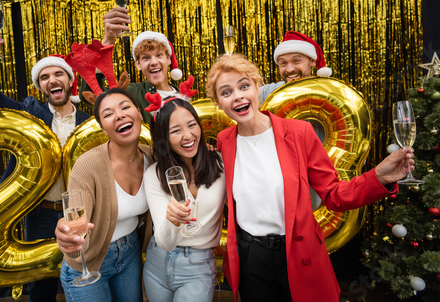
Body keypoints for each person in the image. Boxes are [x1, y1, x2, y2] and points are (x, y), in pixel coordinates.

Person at [205, 53, 414, 302]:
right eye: (226, 92)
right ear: (218, 103)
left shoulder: (299, 133)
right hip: (251, 258)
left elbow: (335, 195)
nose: (238, 95)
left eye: (244, 86)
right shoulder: (224, 141)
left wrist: (379, 176)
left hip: (297, 251)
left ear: (256, 88)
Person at [0, 30, 90, 302]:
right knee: (41, 286)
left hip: (81, 213)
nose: (52, 80)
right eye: (44, 77)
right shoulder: (29, 114)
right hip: (40, 215)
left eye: (58, 74)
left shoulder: (89, 121)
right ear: (40, 88)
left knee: (84, 280)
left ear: (70, 81)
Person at [54, 88, 153, 301]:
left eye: (125, 107)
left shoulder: (152, 157)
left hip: (130, 255)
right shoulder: (87, 165)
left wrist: (206, 150)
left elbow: (186, 162)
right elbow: (75, 218)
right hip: (88, 264)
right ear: (103, 129)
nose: (119, 115)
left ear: (138, 113)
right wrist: (68, 237)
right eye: (108, 114)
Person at [142, 94, 226, 301]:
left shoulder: (222, 164)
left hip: (199, 266)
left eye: (192, 125)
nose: (188, 135)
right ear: (164, 138)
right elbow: (166, 243)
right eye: (176, 131)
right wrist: (173, 220)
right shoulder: (154, 174)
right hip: (157, 263)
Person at [79, 7, 182, 123]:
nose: (153, 62)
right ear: (138, 64)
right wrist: (108, 40)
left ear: (168, 59)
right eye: (146, 58)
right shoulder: (130, 93)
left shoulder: (184, 96)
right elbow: (91, 94)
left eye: (159, 55)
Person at [258, 30, 333, 104]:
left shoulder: (329, 94)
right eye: (283, 63)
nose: (290, 70)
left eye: (296, 61)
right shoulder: (267, 93)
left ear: (312, 61)